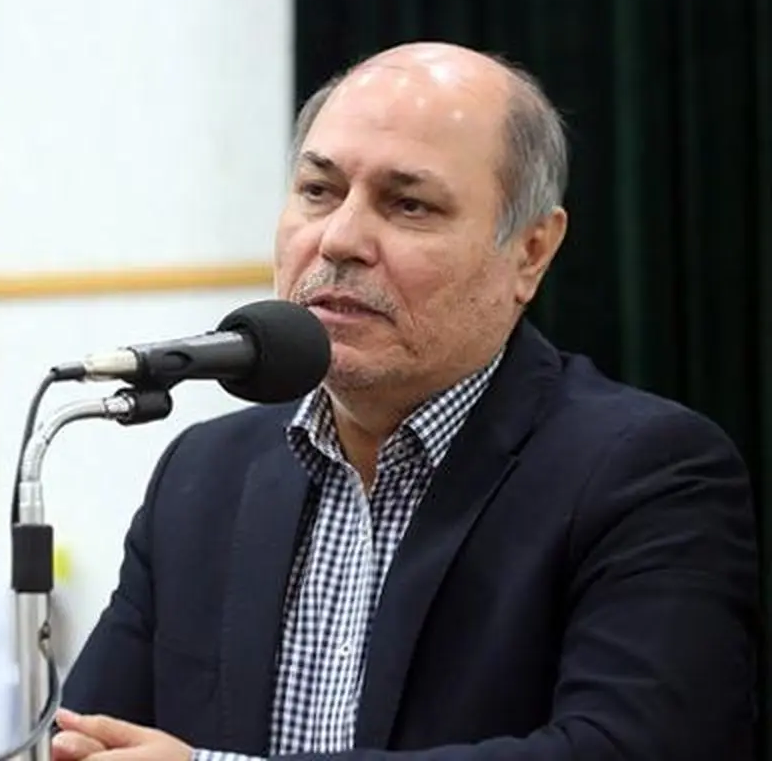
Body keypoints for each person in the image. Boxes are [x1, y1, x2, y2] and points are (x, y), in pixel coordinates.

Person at [52, 42, 760, 760]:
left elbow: (634, 748)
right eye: (318, 191)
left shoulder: (647, 474)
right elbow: (87, 741)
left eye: (408, 204)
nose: (340, 239)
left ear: (531, 252)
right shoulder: (206, 474)